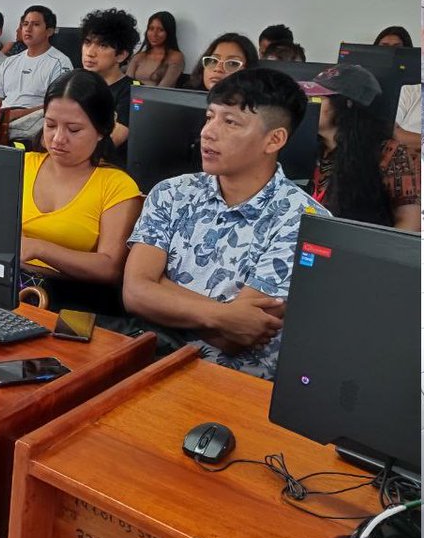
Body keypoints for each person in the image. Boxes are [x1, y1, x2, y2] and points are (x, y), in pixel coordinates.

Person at [123, 68, 326, 380]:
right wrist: (224, 316)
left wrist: (162, 295)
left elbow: (238, 337)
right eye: (209, 117)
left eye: (230, 122)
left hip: (234, 386)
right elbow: (135, 292)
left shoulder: (304, 222)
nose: (208, 132)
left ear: (274, 139)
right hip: (151, 364)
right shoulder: (172, 193)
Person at [21, 71, 143, 291]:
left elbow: (110, 269)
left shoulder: (117, 186)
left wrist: (39, 248)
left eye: (74, 129)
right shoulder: (21, 164)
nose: (58, 138)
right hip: (6, 284)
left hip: (70, 298)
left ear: (101, 131)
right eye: (50, 125)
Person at [300, 65, 420, 231]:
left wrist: (371, 253)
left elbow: (410, 222)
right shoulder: (305, 147)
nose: (308, 104)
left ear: (347, 104)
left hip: (356, 247)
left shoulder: (386, 153)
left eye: (317, 99)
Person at [0, 5, 73, 142]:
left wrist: (20, 113)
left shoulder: (60, 62)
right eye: (25, 24)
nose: (28, 29)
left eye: (35, 24)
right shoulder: (10, 61)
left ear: (49, 31)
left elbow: (59, 105)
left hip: (35, 121)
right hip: (3, 119)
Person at [79, 8, 140, 159]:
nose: (90, 52)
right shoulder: (75, 83)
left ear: (121, 55)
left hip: (108, 167)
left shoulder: (132, 92)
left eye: (102, 46)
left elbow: (112, 141)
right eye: (87, 43)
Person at [375, 27, 420, 148]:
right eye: (384, 46)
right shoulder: (412, 90)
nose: (391, 52)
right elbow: (393, 132)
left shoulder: (412, 85)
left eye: (397, 47)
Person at [126, 11, 185, 86]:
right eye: (151, 29)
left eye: (160, 30)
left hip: (158, 97)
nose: (154, 34)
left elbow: (162, 89)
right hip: (133, 96)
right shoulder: (139, 56)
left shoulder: (175, 57)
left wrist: (139, 87)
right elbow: (127, 83)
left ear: (169, 32)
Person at [186, 32, 259, 91]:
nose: (218, 69)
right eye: (214, 61)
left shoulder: (256, 108)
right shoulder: (184, 99)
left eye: (232, 63)